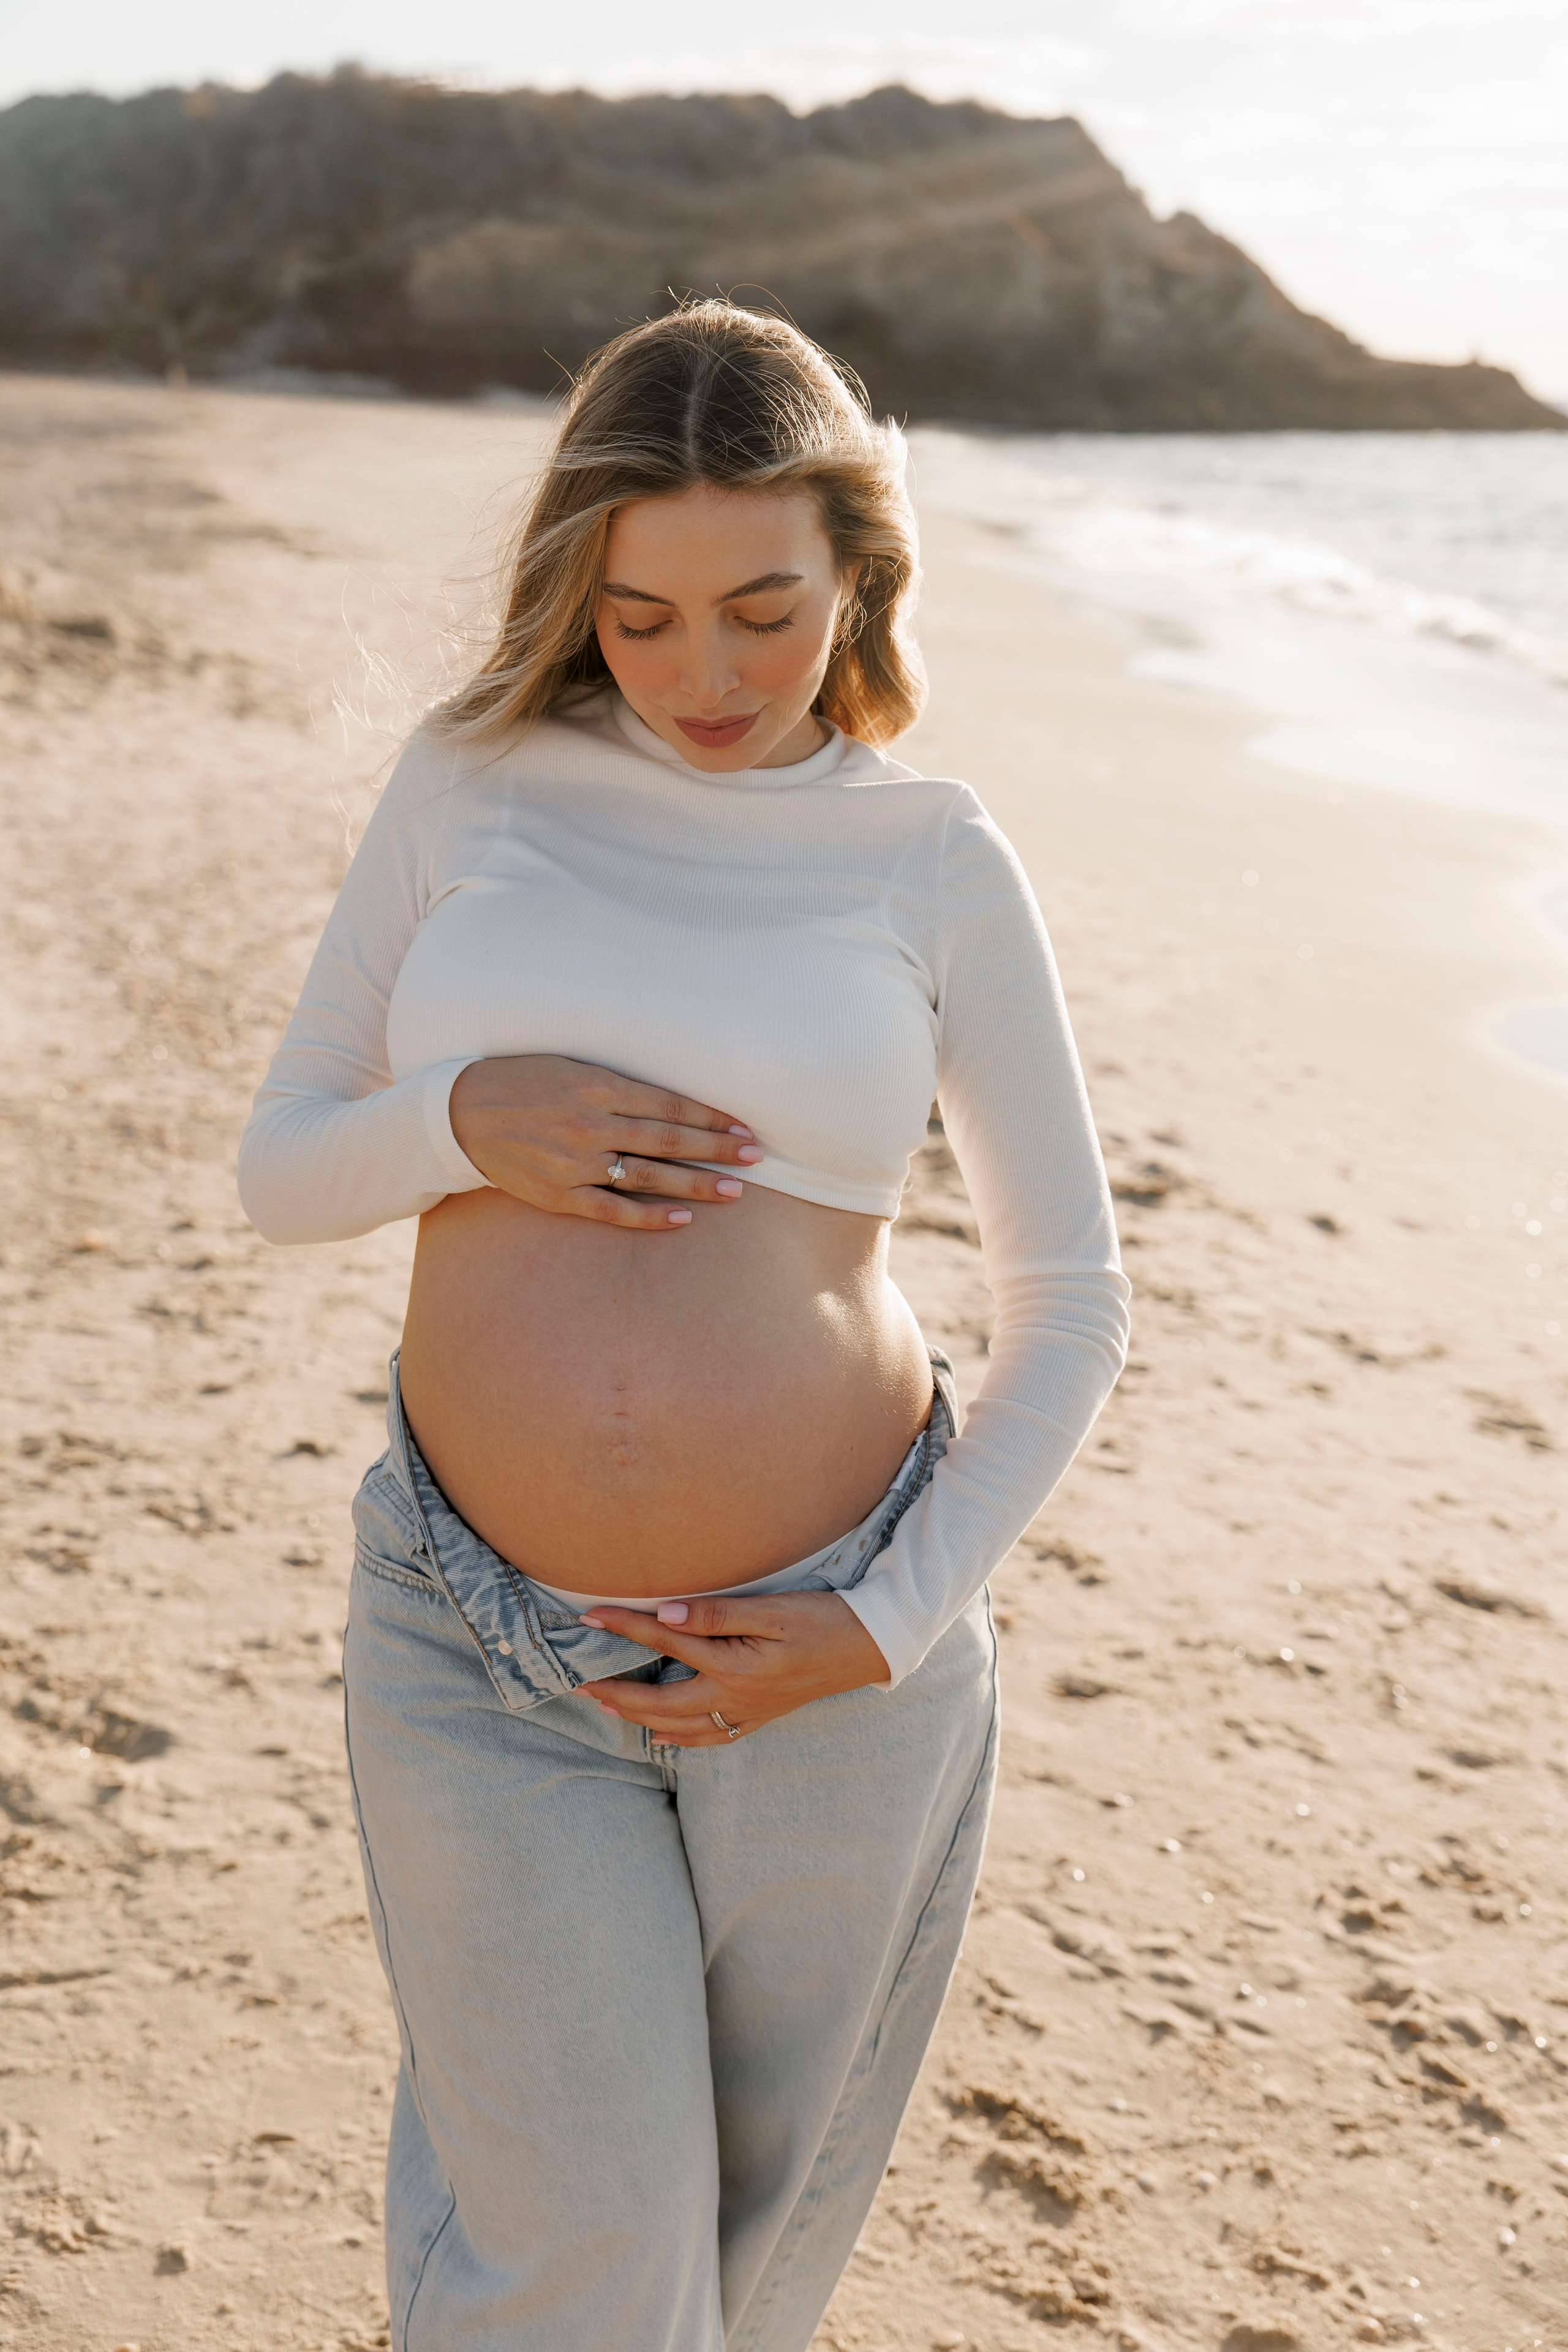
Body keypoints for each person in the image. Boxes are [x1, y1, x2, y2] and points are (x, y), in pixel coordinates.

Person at [238, 300, 1129, 2352]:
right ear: (579, 588)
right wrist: (463, 1120)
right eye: (639, 618)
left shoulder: (928, 853)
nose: (703, 674)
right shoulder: (471, 779)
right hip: (470, 1627)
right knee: (584, 2261)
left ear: (859, 575)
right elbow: (283, 1164)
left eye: (762, 608)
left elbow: (1070, 1300)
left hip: (828, 1647)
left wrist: (889, 1616)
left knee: (734, 2256)